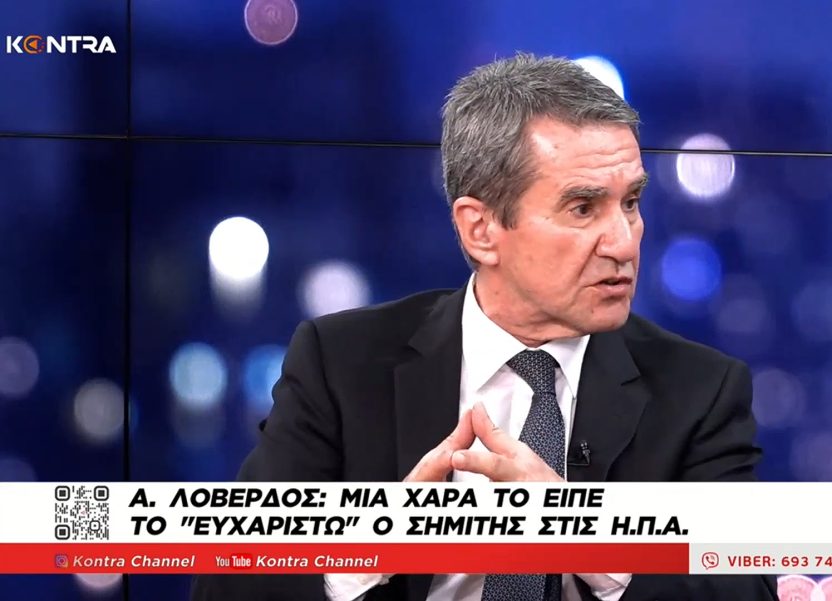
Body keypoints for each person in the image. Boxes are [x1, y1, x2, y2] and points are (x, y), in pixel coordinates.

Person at [191, 53, 777, 601]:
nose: (624, 243)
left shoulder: (701, 391)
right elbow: (228, 584)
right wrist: (365, 550)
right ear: (481, 230)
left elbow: (744, 592)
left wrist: (588, 537)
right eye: (583, 208)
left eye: (631, 203)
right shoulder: (341, 364)